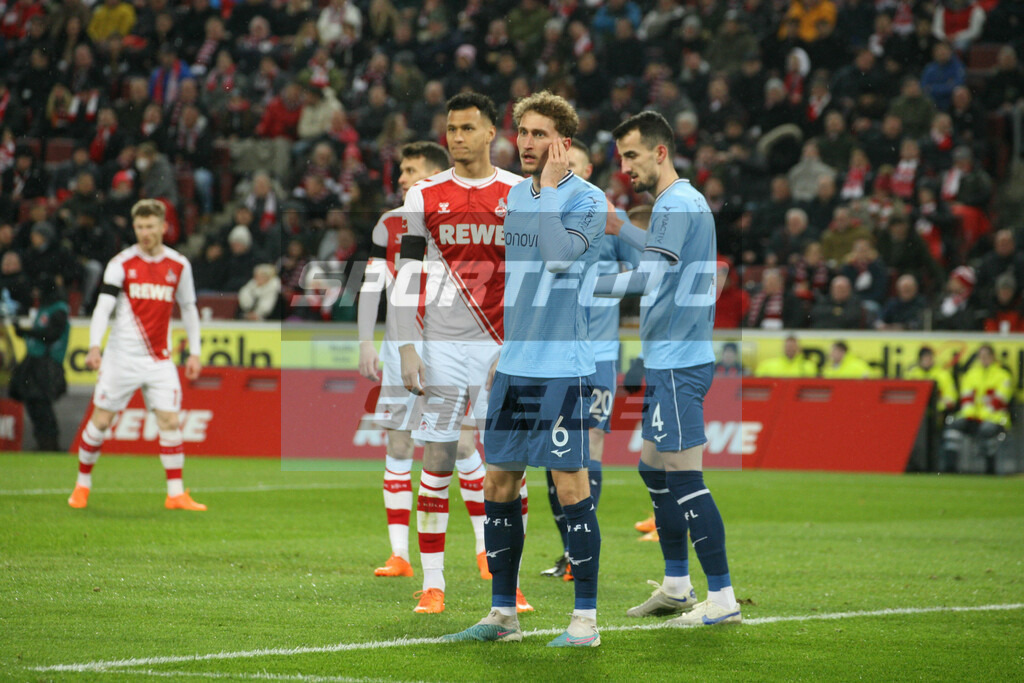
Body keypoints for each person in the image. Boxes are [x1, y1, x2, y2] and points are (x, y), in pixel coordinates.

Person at [442, 90, 605, 647]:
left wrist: (554, 191)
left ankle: (584, 620)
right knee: (499, 482)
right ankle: (503, 614)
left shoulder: (586, 199)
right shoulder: (517, 198)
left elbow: (559, 257)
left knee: (569, 485)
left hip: (565, 367)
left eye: (540, 135)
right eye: (524, 133)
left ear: (563, 141)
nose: (528, 143)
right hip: (515, 365)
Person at [597, 111, 742, 627]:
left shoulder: (675, 204)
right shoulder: (677, 204)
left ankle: (721, 598)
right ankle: (678, 585)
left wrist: (583, 285)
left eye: (632, 155)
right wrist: (620, 229)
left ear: (660, 152)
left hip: (680, 364)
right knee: (653, 468)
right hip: (669, 360)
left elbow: (649, 280)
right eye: (621, 158)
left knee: (685, 477)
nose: (625, 167)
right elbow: (665, 260)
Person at [394, 93, 528, 615]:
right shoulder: (423, 195)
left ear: (492, 132)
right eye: (451, 129)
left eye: (468, 128)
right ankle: (434, 584)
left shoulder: (519, 192)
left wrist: (517, 347)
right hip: (441, 345)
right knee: (439, 457)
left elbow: (528, 277)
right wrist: (406, 346)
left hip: (503, 346)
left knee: (509, 469)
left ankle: (508, 583)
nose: (456, 138)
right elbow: (406, 277)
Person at [358, 141, 489, 581]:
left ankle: (484, 549)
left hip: (446, 346)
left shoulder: (458, 217)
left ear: (432, 175)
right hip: (399, 348)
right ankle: (400, 555)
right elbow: (372, 284)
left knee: (464, 445)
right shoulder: (388, 224)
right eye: (400, 170)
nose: (401, 179)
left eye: (410, 170)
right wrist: (365, 341)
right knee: (398, 445)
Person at [540, 140, 642, 581]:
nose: (561, 168)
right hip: (546, 353)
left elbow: (643, 275)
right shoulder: (542, 212)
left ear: (586, 168)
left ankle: (581, 554)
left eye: (570, 162)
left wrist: (594, 284)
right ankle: (568, 551)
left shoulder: (604, 214)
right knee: (550, 455)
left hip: (597, 352)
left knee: (590, 445)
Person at [67, 199, 205, 511]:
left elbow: (189, 308)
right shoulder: (121, 263)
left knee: (169, 420)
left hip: (159, 359)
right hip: (121, 358)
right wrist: (94, 345)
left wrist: (195, 352)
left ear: (163, 227)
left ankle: (175, 494)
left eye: (150, 226)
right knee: (101, 421)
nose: (145, 232)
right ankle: (82, 485)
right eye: (140, 227)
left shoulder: (179, 265)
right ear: (135, 228)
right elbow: (103, 307)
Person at [9, 277, 69, 451]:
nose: (35, 293)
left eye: (38, 290)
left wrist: (29, 332)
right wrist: (26, 333)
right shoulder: (46, 308)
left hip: (47, 363)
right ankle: (43, 441)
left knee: (42, 403)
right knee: (33, 402)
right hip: (35, 360)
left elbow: (51, 334)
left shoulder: (59, 310)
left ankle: (50, 442)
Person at [942, 344, 1013, 473]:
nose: (983, 359)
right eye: (981, 356)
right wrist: (971, 416)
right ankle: (950, 469)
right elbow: (966, 398)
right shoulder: (971, 374)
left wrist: (982, 416)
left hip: (996, 419)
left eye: (986, 356)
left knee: (986, 431)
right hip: (973, 417)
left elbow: (1000, 401)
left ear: (993, 357)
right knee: (952, 428)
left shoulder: (1003, 375)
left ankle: (989, 470)